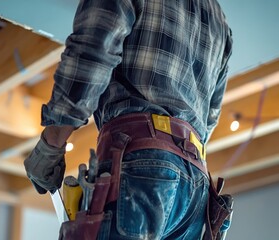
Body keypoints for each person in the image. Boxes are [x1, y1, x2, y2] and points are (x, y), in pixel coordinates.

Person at [24, 0, 233, 239]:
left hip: (143, 163)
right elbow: (208, 121)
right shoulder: (218, 17)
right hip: (197, 187)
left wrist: (52, 143)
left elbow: (92, 54)